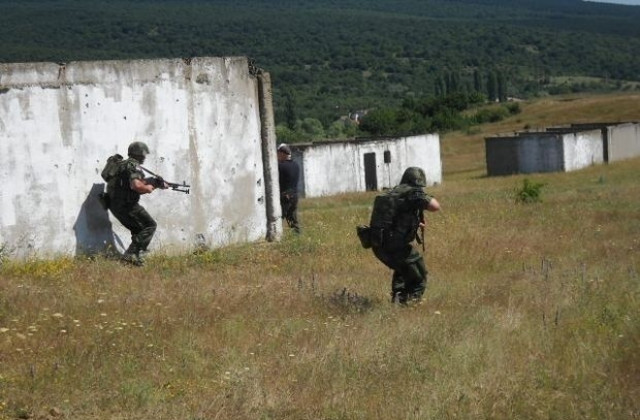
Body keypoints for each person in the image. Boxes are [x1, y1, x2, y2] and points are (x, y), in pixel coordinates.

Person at [369, 167, 440, 304]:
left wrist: (415, 223)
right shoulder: (412, 194)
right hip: (395, 246)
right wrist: (421, 196)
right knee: (418, 276)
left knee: (403, 270)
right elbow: (435, 206)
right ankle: (410, 305)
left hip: (379, 244)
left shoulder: (394, 193)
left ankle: (398, 300)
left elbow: (395, 217)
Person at [107, 141, 167, 266]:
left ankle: (135, 259)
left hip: (115, 205)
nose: (144, 157)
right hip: (127, 206)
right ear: (139, 154)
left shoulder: (123, 165)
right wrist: (151, 187)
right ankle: (130, 256)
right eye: (143, 155)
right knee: (150, 225)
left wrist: (153, 182)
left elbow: (130, 184)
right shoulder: (134, 166)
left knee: (138, 229)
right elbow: (136, 186)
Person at [277, 143, 301, 234]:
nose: (277, 156)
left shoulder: (281, 166)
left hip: (285, 197)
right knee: (293, 221)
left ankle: (276, 239)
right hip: (294, 196)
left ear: (283, 154)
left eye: (278, 154)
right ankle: (297, 237)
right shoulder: (296, 165)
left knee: (277, 220)